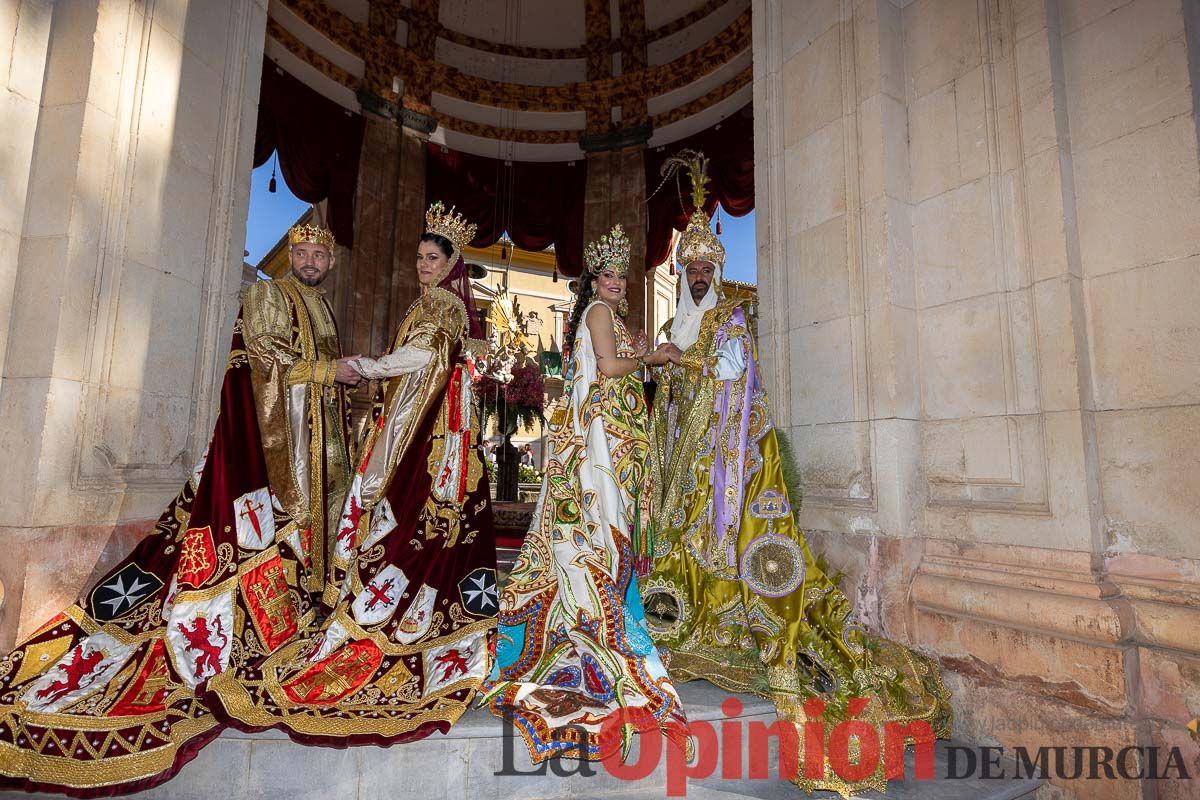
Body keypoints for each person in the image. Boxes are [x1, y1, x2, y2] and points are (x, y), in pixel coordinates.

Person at [0, 222, 360, 794]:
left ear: (331, 262)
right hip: (278, 454)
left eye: (321, 254)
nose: (312, 261)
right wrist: (327, 371)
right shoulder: (270, 294)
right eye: (304, 252)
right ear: (292, 255)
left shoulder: (323, 307)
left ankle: (292, 622)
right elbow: (264, 359)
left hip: (316, 452)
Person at [643, 151, 951, 796]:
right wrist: (666, 369)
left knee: (728, 539)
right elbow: (674, 389)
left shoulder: (729, 315)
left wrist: (678, 362)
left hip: (726, 458)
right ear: (680, 271)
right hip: (685, 455)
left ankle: (733, 619)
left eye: (706, 268)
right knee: (680, 540)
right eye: (690, 268)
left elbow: (734, 378)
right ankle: (686, 613)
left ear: (715, 270)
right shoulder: (676, 320)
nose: (698, 276)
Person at [207, 202, 499, 745]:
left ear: (451, 263)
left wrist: (365, 368)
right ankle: (317, 600)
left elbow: (422, 358)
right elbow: (266, 360)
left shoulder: (438, 305)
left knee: (382, 510)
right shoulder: (275, 296)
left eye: (432, 258)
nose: (423, 266)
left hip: (412, 433)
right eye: (419, 257)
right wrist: (339, 371)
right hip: (295, 433)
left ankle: (368, 608)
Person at [480, 224, 686, 763]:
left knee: (605, 533)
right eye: (607, 275)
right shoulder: (597, 313)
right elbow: (610, 368)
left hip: (609, 443)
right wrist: (652, 358)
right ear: (594, 281)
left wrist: (642, 352)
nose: (616, 282)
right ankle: (600, 626)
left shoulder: (606, 316)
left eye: (622, 276)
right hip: (598, 448)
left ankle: (600, 618)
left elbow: (610, 368)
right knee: (602, 531)